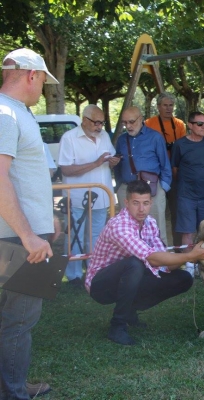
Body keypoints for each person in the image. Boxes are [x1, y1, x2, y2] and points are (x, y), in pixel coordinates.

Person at [85, 180, 204, 345]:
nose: (141, 209)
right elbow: (151, 257)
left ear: (150, 203)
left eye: (145, 203)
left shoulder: (150, 223)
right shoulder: (119, 226)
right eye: (136, 203)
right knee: (135, 263)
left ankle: (130, 310)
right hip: (100, 285)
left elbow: (162, 261)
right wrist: (190, 256)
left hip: (129, 277)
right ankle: (117, 326)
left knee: (183, 278)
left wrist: (192, 255)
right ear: (126, 203)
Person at [0, 48, 58, 400]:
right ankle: (14, 392)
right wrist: (28, 235)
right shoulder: (6, 114)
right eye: (43, 82)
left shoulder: (15, 113)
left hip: (21, 234)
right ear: (31, 75)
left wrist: (44, 219)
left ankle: (12, 384)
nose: (44, 90)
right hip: (17, 238)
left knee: (15, 318)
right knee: (19, 320)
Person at [58, 104, 120, 287]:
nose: (100, 126)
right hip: (77, 198)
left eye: (102, 122)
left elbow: (108, 162)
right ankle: (74, 276)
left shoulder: (104, 137)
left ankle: (94, 272)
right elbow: (66, 169)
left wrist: (113, 162)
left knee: (97, 237)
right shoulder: (69, 138)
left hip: (102, 197)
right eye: (96, 122)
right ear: (84, 120)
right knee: (74, 237)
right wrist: (96, 163)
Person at [114, 106, 172, 245]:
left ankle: (162, 265)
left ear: (141, 119)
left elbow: (165, 164)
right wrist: (119, 187)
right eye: (125, 122)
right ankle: (132, 265)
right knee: (128, 231)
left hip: (151, 190)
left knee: (157, 230)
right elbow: (118, 165)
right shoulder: (122, 139)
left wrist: (162, 189)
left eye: (132, 121)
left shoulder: (155, 137)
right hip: (127, 189)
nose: (128, 126)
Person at [170, 111, 204, 272]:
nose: (203, 127)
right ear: (190, 125)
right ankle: (190, 266)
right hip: (186, 195)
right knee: (188, 231)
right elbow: (174, 169)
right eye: (199, 124)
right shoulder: (180, 144)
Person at [145, 92, 187, 247]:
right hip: (156, 175)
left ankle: (177, 248)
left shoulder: (180, 124)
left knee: (177, 212)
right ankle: (154, 246)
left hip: (175, 174)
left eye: (171, 105)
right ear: (158, 107)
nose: (168, 109)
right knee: (155, 212)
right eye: (165, 105)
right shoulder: (149, 124)